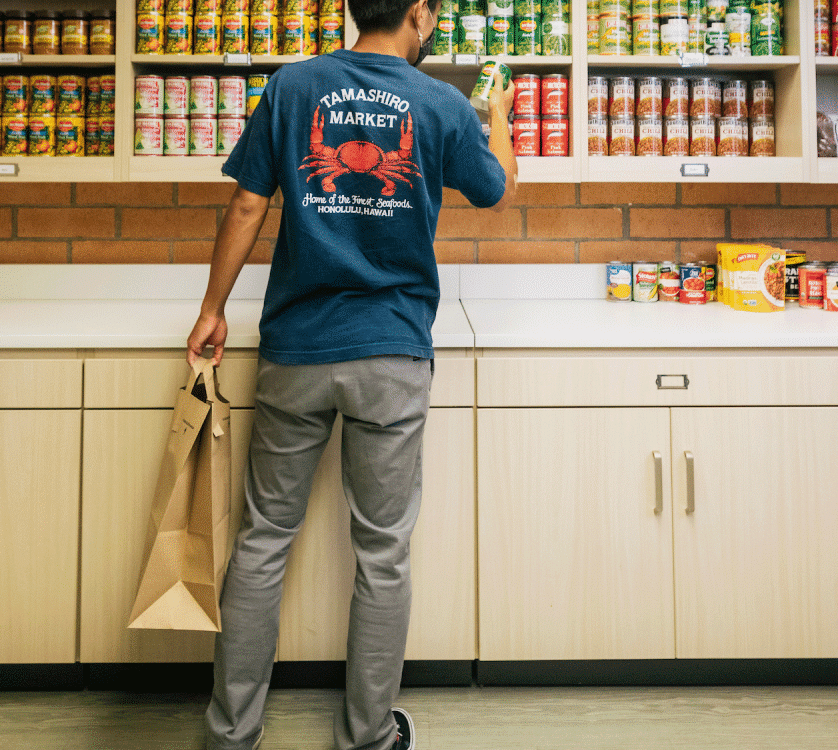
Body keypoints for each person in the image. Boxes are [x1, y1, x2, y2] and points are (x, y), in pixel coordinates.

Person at [183, 0, 516, 745]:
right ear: (421, 14)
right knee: (384, 552)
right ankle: (368, 735)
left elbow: (245, 205)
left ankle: (230, 732)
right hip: (391, 355)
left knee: (264, 539)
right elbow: (497, 189)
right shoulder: (439, 103)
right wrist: (501, 112)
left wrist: (211, 308)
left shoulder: (292, 87)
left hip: (296, 350)